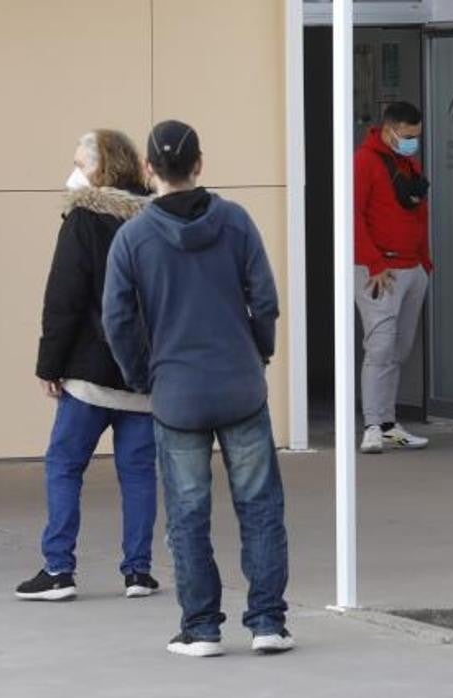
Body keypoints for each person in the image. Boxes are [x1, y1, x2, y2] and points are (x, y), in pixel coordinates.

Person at [103, 120, 292, 658]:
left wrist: (144, 375)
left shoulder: (133, 237)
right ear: (200, 164)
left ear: (147, 170)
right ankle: (267, 622)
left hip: (176, 394)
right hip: (240, 386)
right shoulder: (235, 222)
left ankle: (202, 627)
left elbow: (116, 320)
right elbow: (265, 296)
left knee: (187, 513)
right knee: (259, 507)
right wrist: (259, 352)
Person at [13, 130, 159, 602]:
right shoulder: (156, 219)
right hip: (142, 374)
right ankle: (138, 571)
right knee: (138, 472)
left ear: (100, 170)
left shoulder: (84, 218)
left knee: (64, 464)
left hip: (89, 371)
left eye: (80, 162)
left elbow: (64, 298)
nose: (74, 170)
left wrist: (47, 363)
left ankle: (59, 569)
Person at [354, 101, 431, 455]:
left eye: (416, 136)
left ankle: (388, 423)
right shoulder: (364, 162)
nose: (413, 141)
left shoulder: (408, 162)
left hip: (412, 268)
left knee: (399, 349)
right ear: (389, 130)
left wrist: (424, 264)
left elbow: (417, 215)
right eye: (408, 135)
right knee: (380, 347)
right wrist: (372, 262)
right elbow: (351, 215)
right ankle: (373, 424)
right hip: (380, 271)